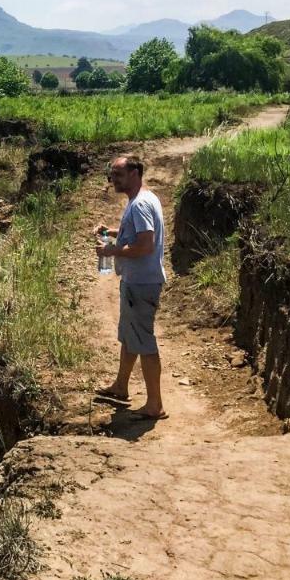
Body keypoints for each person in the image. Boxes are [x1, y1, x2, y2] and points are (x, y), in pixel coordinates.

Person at [95, 155, 167, 420]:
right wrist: (113, 232)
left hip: (142, 283)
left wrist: (113, 250)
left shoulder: (140, 205)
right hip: (137, 282)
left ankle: (155, 405)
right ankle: (120, 386)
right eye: (112, 175)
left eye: (118, 175)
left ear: (135, 173)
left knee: (144, 341)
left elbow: (146, 245)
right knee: (129, 336)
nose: (113, 180)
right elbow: (138, 234)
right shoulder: (145, 199)